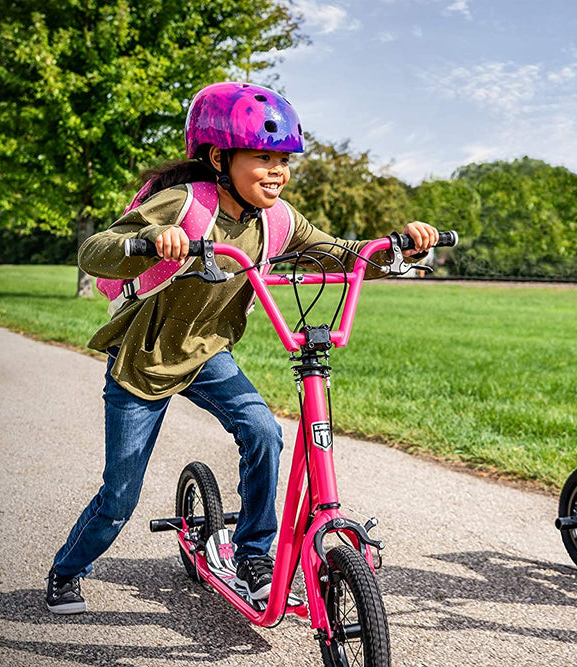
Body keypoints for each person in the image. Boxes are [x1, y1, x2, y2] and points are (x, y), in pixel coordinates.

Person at [45, 82, 440, 614]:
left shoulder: (278, 220)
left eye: (284, 159)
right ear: (218, 157)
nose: (277, 170)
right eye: (263, 157)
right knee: (119, 497)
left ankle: (255, 556)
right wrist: (150, 242)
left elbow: (341, 254)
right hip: (144, 362)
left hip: (208, 353)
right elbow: (94, 251)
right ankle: (67, 571)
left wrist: (397, 243)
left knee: (264, 432)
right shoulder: (184, 204)